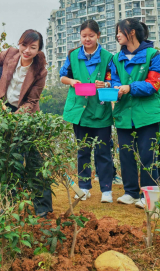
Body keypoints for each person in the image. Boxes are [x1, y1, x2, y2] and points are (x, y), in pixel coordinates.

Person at [0, 29, 51, 217]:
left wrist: (15, 118)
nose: (27, 50)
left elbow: (32, 101)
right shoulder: (10, 54)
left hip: (27, 115)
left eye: (32, 47)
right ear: (19, 44)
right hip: (5, 110)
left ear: (39, 49)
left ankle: (43, 208)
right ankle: (11, 204)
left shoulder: (40, 70)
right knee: (11, 160)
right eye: (24, 45)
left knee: (35, 160)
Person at [109, 18, 160, 209]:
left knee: (147, 155)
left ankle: (148, 193)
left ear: (131, 32)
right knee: (125, 153)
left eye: (120, 31)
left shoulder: (154, 55)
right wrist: (112, 87)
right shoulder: (116, 59)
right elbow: (114, 79)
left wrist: (129, 87)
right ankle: (130, 192)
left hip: (147, 115)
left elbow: (153, 84)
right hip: (124, 113)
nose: (117, 35)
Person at [59, 20, 115, 203]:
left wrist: (106, 84)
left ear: (98, 35)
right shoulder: (73, 55)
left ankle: (106, 190)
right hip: (80, 111)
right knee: (82, 151)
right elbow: (62, 76)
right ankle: (84, 188)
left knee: (103, 152)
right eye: (84, 36)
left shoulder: (108, 57)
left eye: (91, 35)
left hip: (101, 111)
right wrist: (72, 82)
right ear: (80, 36)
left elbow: (114, 81)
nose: (87, 39)